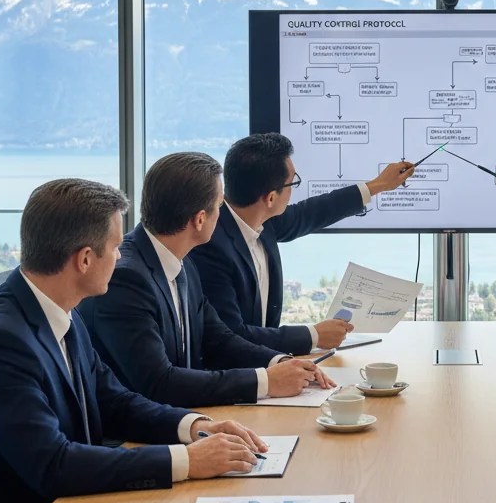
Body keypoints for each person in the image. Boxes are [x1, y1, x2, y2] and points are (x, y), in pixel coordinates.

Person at [0, 179, 268, 503]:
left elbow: (114, 400)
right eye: (115, 247)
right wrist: (188, 461)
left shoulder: (59, 310)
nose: (121, 255)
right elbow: (54, 465)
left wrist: (194, 426)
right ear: (84, 259)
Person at [80, 153, 334, 408]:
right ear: (200, 219)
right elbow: (159, 382)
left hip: (184, 418)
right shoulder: (126, 279)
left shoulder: (183, 262)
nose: (222, 215)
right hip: (137, 437)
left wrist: (279, 362)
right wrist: (265, 382)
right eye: (219, 206)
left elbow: (218, 338)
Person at [191, 132, 415, 353]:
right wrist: (314, 335)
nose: (292, 192)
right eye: (292, 183)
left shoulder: (263, 220)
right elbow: (231, 336)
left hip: (267, 364)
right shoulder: (210, 247)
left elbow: (310, 213)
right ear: (270, 198)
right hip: (236, 377)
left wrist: (378, 185)